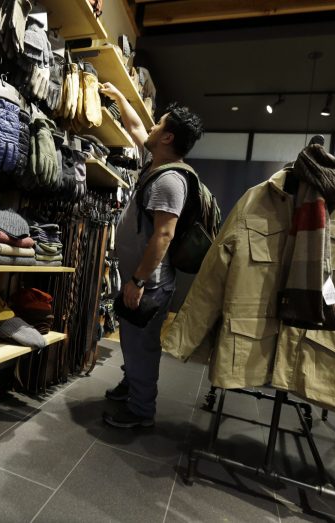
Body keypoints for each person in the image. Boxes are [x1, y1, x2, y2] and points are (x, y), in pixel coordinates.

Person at [99, 82, 203, 429]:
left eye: (160, 123)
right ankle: (133, 385)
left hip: (150, 284)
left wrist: (138, 280)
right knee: (132, 340)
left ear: (169, 138)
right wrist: (118, 96)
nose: (153, 127)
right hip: (141, 279)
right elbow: (136, 128)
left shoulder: (170, 180)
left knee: (142, 347)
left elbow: (164, 234)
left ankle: (141, 411)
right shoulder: (155, 164)